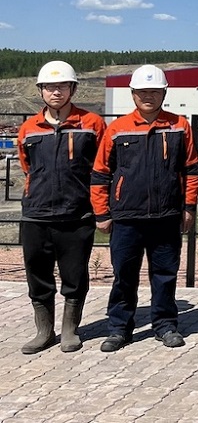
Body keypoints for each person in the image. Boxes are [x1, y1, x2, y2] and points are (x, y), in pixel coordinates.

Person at [90, 65, 198, 351]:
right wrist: (102, 213)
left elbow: (191, 170)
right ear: (133, 94)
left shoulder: (179, 126)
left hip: (166, 216)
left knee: (165, 275)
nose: (148, 96)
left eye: (154, 91)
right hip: (127, 218)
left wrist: (188, 207)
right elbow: (100, 174)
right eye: (142, 92)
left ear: (164, 93)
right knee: (124, 276)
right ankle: (119, 328)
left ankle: (165, 325)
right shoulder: (117, 129)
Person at [17, 61, 106, 354]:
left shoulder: (92, 124)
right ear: (41, 91)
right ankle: (44, 331)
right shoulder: (29, 128)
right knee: (37, 274)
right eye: (50, 87)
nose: (56, 92)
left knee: (75, 274)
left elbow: (102, 167)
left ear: (73, 89)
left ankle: (70, 330)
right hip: (36, 215)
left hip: (76, 214)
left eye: (62, 86)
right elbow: (27, 166)